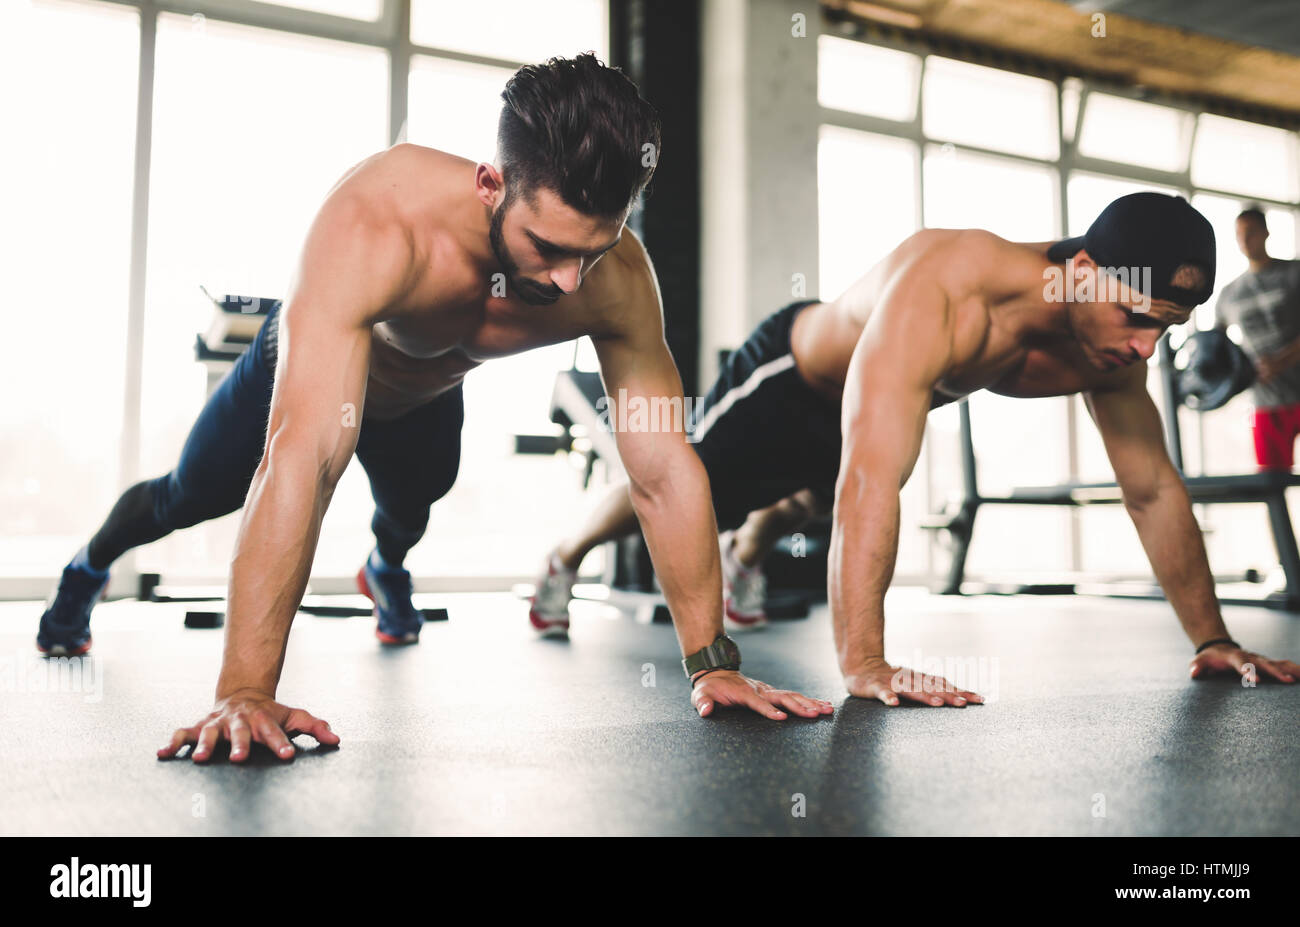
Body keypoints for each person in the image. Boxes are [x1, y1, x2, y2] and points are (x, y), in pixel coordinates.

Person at [34, 54, 832, 764]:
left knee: (412, 508)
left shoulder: (617, 278)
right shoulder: (378, 224)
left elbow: (662, 467)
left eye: (592, 249)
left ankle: (384, 567)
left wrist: (711, 659)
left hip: (425, 397)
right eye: (547, 247)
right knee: (190, 493)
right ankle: (87, 567)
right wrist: (245, 687)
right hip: (304, 374)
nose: (567, 280)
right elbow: (307, 459)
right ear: (491, 183)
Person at [533, 192, 1300, 704]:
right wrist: (865, 662)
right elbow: (870, 478)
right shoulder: (952, 285)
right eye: (1137, 316)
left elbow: (1153, 488)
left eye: (1161, 326)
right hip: (794, 375)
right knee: (689, 480)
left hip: (867, 414)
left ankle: (745, 558)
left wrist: (1215, 638)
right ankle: (563, 557)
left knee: (806, 496)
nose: (1143, 347)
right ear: (1085, 273)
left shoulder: (1101, 345)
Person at [1214, 206, 1300, 471]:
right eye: (1239, 235)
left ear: (1265, 233)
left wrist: (1284, 359)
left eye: (1250, 233)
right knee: (1271, 484)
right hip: (1266, 402)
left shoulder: (1294, 274)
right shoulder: (1229, 294)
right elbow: (1216, 349)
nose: (1244, 241)